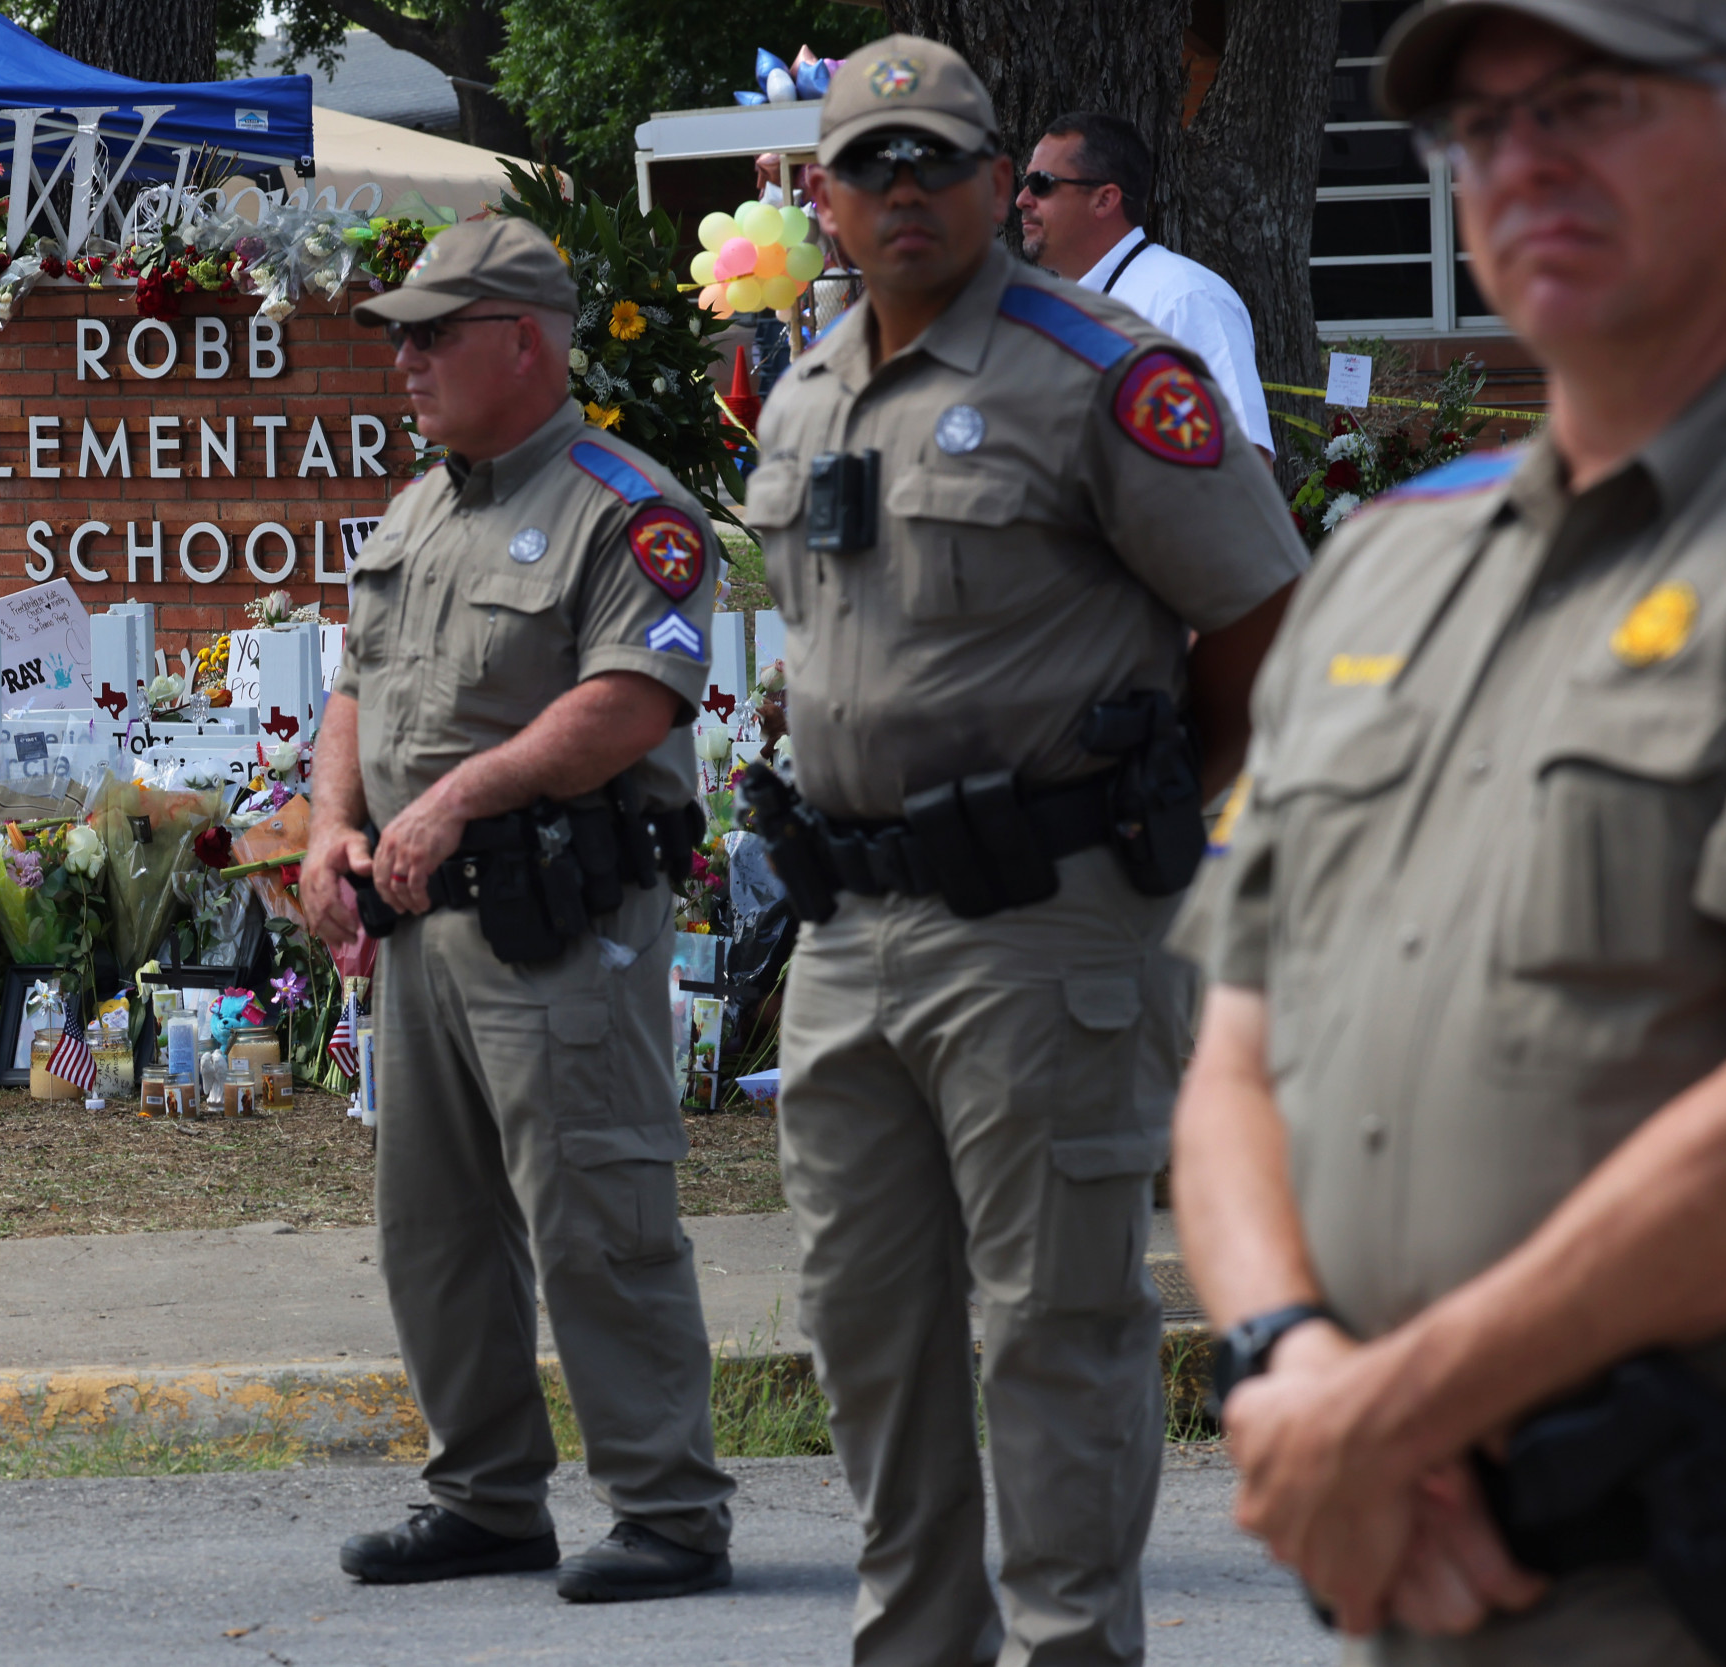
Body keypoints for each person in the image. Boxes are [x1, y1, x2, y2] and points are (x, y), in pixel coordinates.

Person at [1170, 0, 1726, 1660]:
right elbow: (1237, 1052)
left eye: (1589, 102)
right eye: (1478, 127)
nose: (1521, 160)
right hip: (1416, 1569)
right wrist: (1291, 1365)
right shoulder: (1388, 564)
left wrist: (1381, 1414)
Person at [745, 34, 1307, 1667]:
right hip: (848, 938)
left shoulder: (1103, 374)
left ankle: (1074, 1648)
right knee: (864, 1329)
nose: (904, 188)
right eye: (872, 164)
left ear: (1004, 184)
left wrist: (1131, 803)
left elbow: (1264, 617)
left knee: (1056, 1332)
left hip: (1047, 930)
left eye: (938, 160)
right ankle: (914, 1642)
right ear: (826, 197)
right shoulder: (803, 387)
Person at [300, 214, 736, 1604]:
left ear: (524, 341)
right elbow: (356, 686)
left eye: (432, 333)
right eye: (401, 337)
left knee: (594, 1206)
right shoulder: (426, 503)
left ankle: (668, 1508)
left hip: (560, 912)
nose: (405, 362)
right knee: (431, 1223)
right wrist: (332, 826)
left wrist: (454, 800)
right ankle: (485, 1492)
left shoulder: (629, 507)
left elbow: (629, 703)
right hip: (423, 924)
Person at [1017, 112, 1276, 465]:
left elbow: (1244, 468)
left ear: (1105, 200)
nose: (1022, 199)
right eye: (1025, 182)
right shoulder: (1049, 313)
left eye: (1041, 183)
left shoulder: (1185, 300)